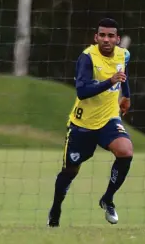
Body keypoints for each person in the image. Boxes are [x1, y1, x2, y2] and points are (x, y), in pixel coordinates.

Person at [47, 18, 133, 227]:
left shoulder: (124, 54)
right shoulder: (87, 58)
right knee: (70, 170)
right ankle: (56, 209)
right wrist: (110, 81)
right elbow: (82, 91)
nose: (106, 39)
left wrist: (127, 96)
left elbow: (123, 74)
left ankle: (108, 199)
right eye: (102, 35)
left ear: (117, 39)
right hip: (82, 125)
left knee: (126, 151)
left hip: (108, 120)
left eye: (110, 36)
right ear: (96, 38)